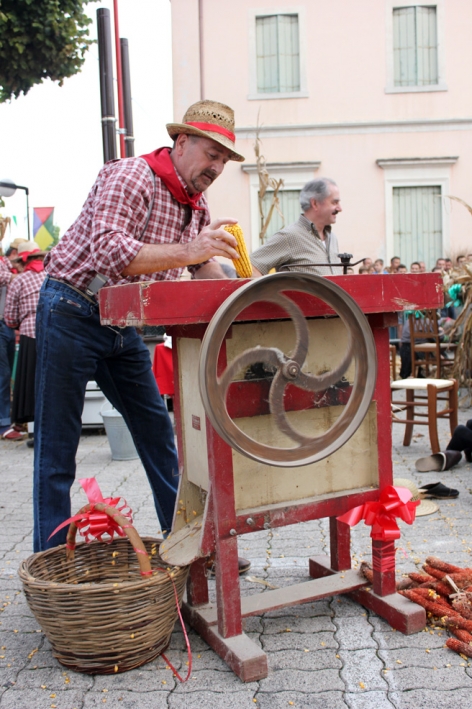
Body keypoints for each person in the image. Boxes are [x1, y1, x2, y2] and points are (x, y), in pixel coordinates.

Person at [33, 100, 250, 561]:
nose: (216, 167)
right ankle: (51, 567)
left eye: (224, 160)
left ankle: (188, 546)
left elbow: (202, 267)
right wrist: (191, 251)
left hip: (120, 323)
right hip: (72, 307)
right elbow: (112, 253)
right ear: (181, 142)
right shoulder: (132, 175)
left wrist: (247, 294)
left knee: (158, 436)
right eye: (211, 154)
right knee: (57, 448)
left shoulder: (197, 204)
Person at [250, 178, 342, 276]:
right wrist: (270, 287)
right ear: (315, 203)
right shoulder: (289, 236)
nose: (340, 208)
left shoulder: (332, 238)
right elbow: (252, 266)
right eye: (334, 202)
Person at [3, 242, 46, 441]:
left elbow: (10, 317)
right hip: (54, 331)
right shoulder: (51, 275)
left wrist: (18, 322)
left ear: (22, 262)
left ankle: (32, 426)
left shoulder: (19, 281)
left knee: (30, 381)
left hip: (29, 334)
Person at [0, 237, 27, 436]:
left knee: (7, 374)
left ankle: (8, 420)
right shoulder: (8, 270)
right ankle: (4, 424)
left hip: (6, 325)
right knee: (3, 374)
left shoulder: (6, 266)